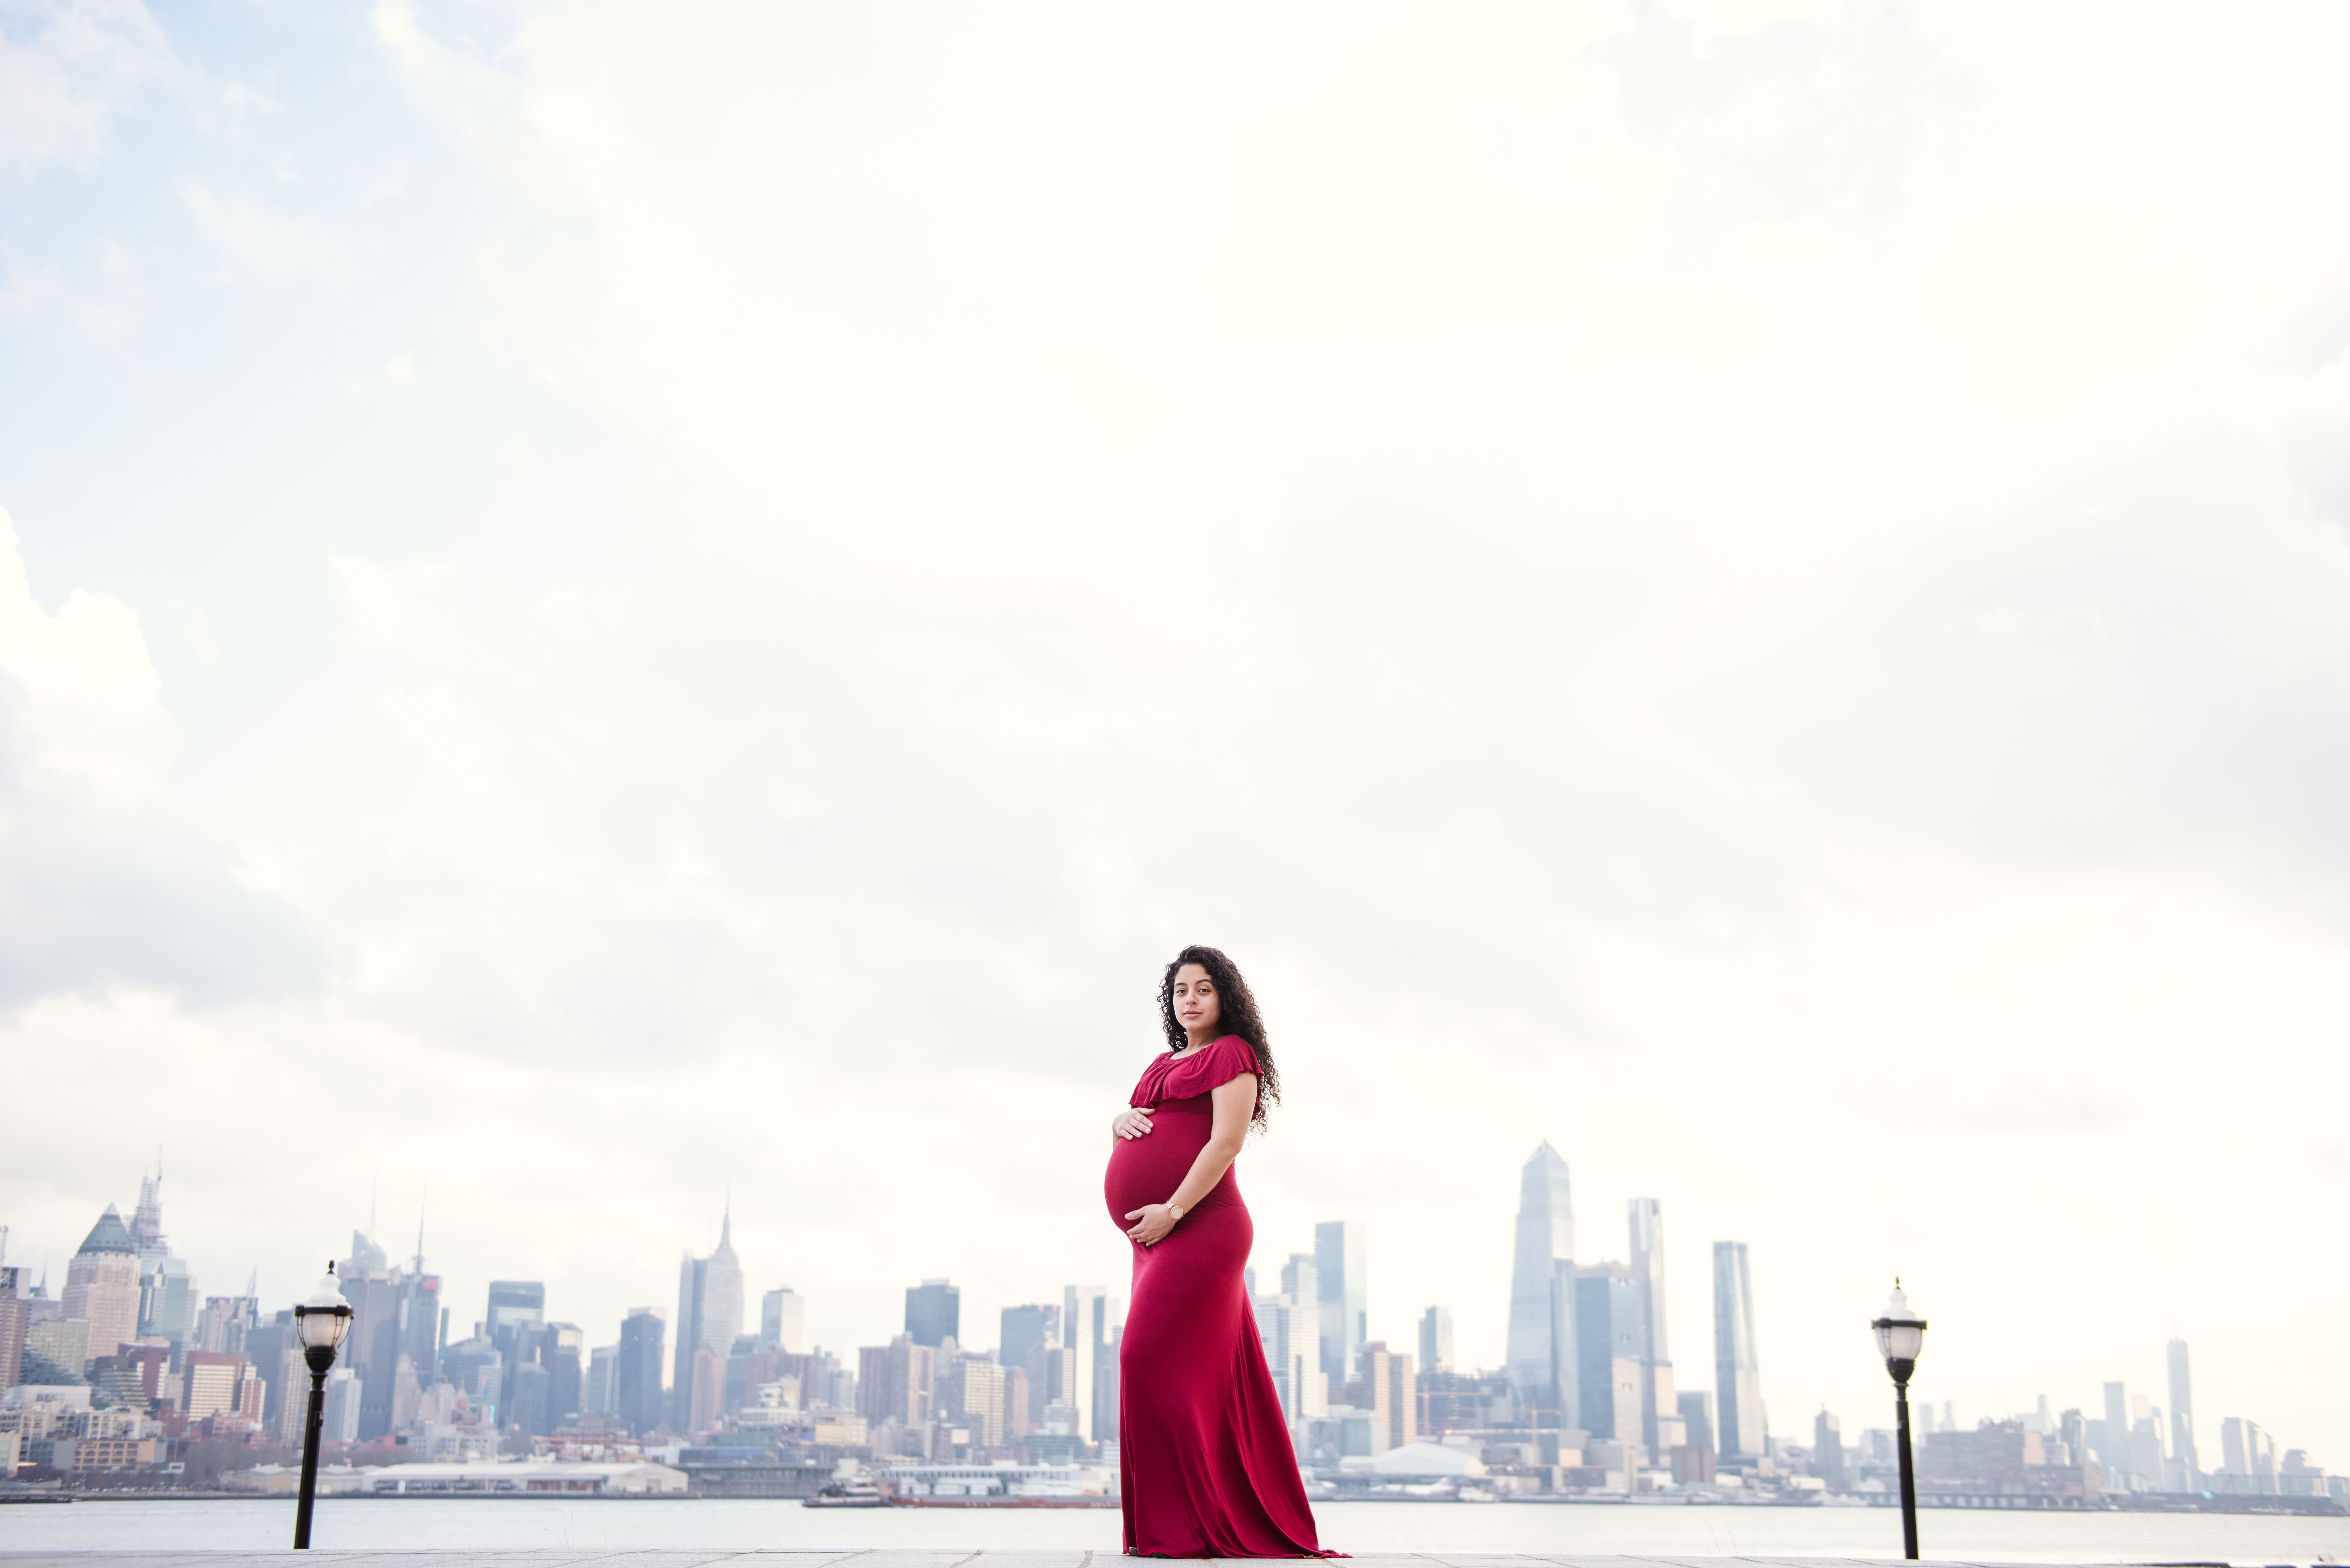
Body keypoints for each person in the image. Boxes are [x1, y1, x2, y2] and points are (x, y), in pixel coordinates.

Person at [1105, 944, 1333, 1558]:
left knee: (1143, 1358)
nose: (1191, 1000)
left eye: (1203, 989)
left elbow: (1224, 1143)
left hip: (1200, 1227)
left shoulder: (1234, 1054)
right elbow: (1150, 1121)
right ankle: (1170, 1528)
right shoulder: (1161, 1062)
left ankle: (1193, 1523)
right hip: (1153, 1238)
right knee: (1193, 1376)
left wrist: (1171, 1210)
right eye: (1181, 990)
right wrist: (1120, 1122)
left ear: (1224, 996)